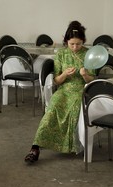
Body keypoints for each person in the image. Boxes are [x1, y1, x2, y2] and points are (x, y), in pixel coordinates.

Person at [24, 20, 95, 163]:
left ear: (84, 41)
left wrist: (85, 75)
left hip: (81, 90)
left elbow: (92, 80)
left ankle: (70, 145)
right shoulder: (61, 54)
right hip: (64, 90)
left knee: (74, 110)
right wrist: (64, 75)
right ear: (66, 42)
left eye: (78, 44)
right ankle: (35, 147)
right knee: (52, 109)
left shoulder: (89, 54)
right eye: (72, 44)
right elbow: (56, 81)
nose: (75, 47)